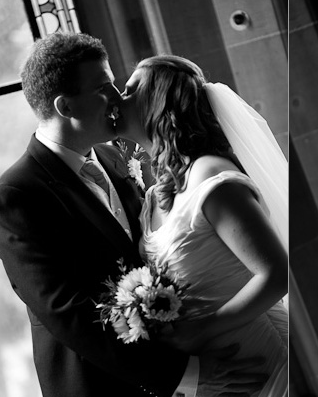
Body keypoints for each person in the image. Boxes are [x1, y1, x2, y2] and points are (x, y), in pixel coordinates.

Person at [0, 33, 265, 397]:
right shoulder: (18, 194)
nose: (117, 98)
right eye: (104, 87)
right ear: (65, 107)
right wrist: (183, 375)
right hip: (102, 386)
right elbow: (68, 313)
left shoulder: (112, 157)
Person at [114, 55, 289, 397]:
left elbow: (276, 274)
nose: (120, 98)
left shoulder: (209, 174)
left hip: (263, 363)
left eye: (130, 90)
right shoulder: (154, 195)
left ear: (157, 102)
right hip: (217, 375)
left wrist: (203, 330)